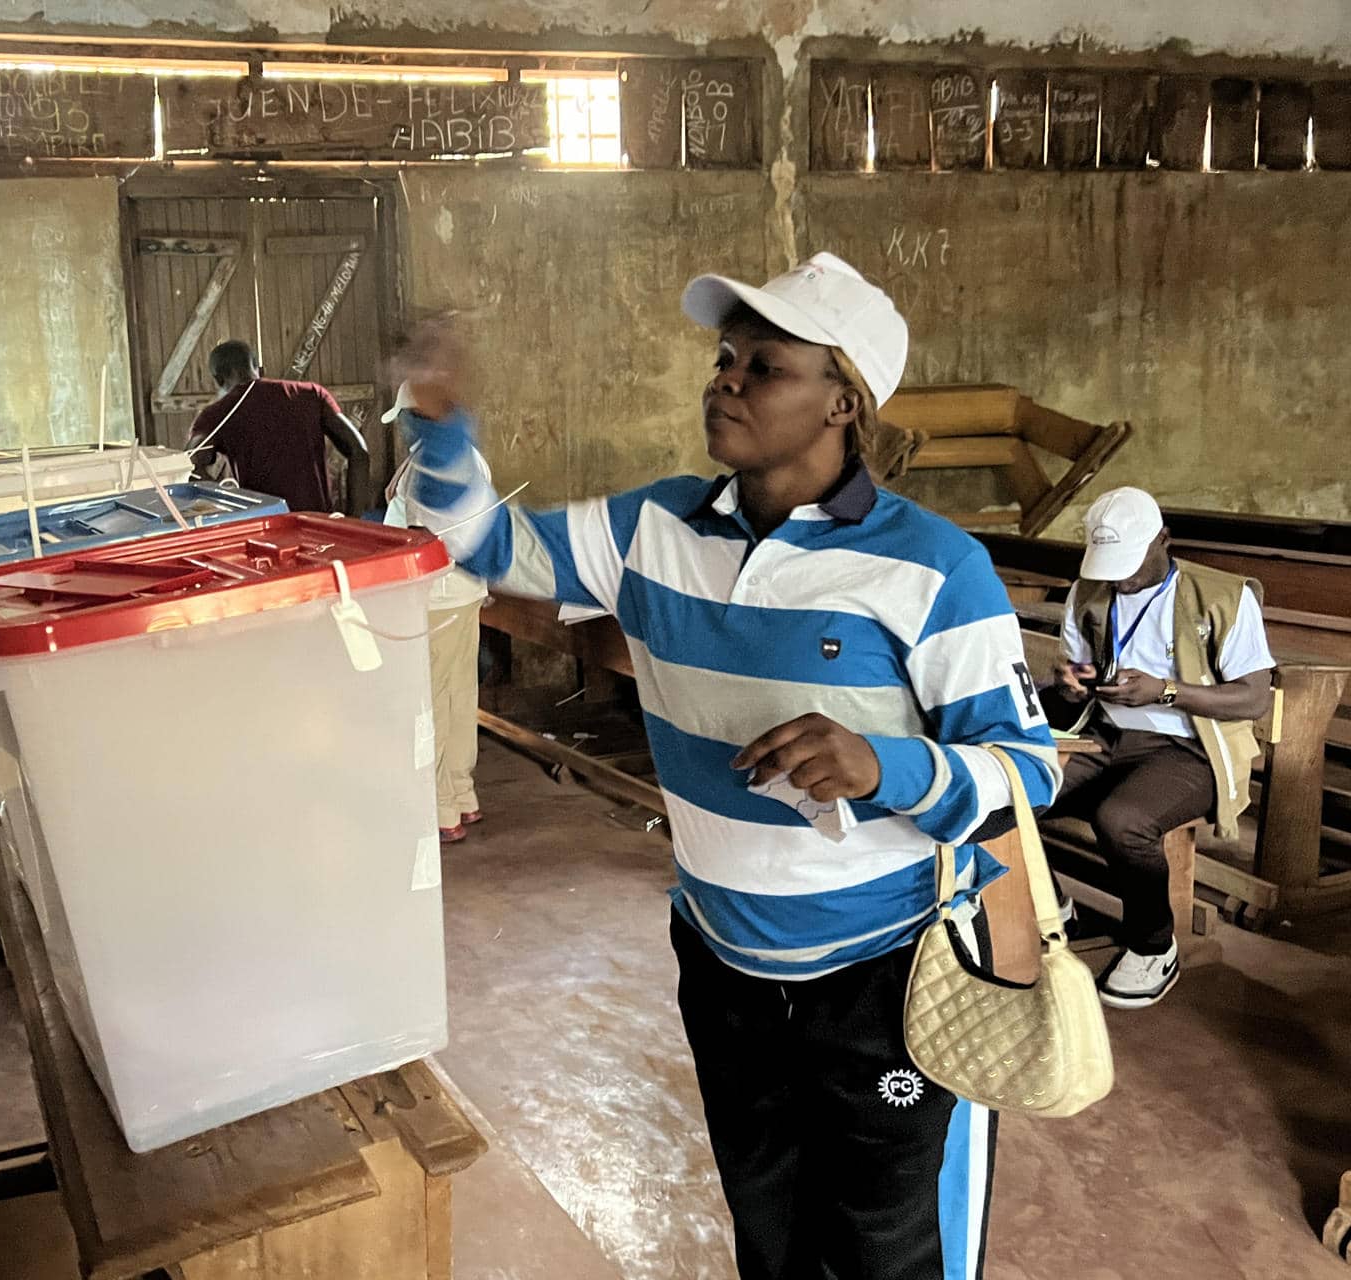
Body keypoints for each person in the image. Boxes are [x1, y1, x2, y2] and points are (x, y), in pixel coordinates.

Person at [396, 252, 1059, 1280]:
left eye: (766, 365)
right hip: (726, 967)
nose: (727, 380)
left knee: (891, 1248)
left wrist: (882, 765)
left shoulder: (932, 566)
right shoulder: (652, 530)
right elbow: (474, 541)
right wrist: (440, 417)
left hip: (886, 979)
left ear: (844, 400)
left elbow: (1026, 773)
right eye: (725, 358)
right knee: (770, 1229)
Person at [1047, 487, 1274, 1009]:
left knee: (1122, 819)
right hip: (1104, 732)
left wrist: (1165, 691)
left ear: (1163, 539)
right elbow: (1071, 673)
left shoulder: (1221, 596)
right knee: (1012, 789)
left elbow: (1254, 698)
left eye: (1128, 563)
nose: (1119, 578)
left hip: (1191, 746)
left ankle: (1153, 944)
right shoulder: (1089, 593)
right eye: (1108, 565)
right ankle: (1049, 905)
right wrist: (1072, 681)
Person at [382, 384, 489, 844]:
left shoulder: (429, 466)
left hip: (437, 596)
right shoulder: (467, 458)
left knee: (436, 698)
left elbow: (416, 535)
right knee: (459, 694)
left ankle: (441, 806)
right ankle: (462, 795)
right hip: (463, 590)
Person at [187, 339, 371, 514]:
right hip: (316, 522)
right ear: (260, 369)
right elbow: (359, 452)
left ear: (218, 380)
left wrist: (230, 503)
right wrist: (354, 517)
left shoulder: (215, 414)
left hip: (264, 525)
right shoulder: (311, 394)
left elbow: (189, 468)